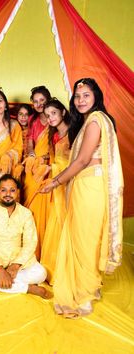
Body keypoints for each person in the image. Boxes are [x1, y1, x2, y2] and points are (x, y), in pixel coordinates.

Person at [40, 78, 123, 317]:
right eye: (77, 96)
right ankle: (91, 286)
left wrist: (55, 181)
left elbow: (83, 160)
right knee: (86, 236)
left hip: (89, 186)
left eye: (86, 95)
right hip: (87, 185)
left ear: (96, 96)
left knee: (84, 238)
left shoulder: (96, 121)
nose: (81, 100)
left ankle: (84, 294)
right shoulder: (93, 121)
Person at [0, 174, 51, 298]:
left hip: (18, 261)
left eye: (12, 190)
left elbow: (30, 243)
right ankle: (27, 288)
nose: (8, 194)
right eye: (3, 190)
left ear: (17, 192)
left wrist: (15, 265)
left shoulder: (26, 213)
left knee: (41, 273)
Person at [40, 99, 71, 285]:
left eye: (53, 113)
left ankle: (68, 268)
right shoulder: (53, 135)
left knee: (67, 221)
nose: (50, 118)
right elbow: (54, 159)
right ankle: (54, 268)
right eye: (47, 115)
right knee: (56, 221)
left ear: (63, 112)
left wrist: (51, 168)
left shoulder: (74, 133)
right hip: (56, 185)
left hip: (69, 184)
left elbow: (77, 163)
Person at [23, 86, 52, 258]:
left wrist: (45, 159)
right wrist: (33, 154)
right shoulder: (33, 121)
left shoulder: (54, 119)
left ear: (48, 100)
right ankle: (30, 252)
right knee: (31, 210)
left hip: (48, 167)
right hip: (33, 167)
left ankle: (44, 251)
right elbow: (30, 142)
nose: (39, 104)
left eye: (42, 100)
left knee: (44, 208)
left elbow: (58, 146)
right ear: (32, 104)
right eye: (36, 101)